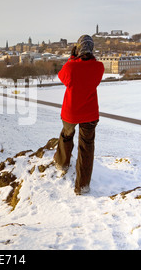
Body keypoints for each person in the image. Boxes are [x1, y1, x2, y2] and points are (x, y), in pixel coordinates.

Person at [53, 35, 104, 195]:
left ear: (77, 49)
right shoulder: (99, 67)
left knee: (66, 135)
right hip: (90, 113)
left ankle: (62, 163)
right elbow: (93, 75)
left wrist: (72, 58)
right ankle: (82, 185)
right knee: (86, 147)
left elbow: (62, 76)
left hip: (71, 112)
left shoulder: (70, 68)